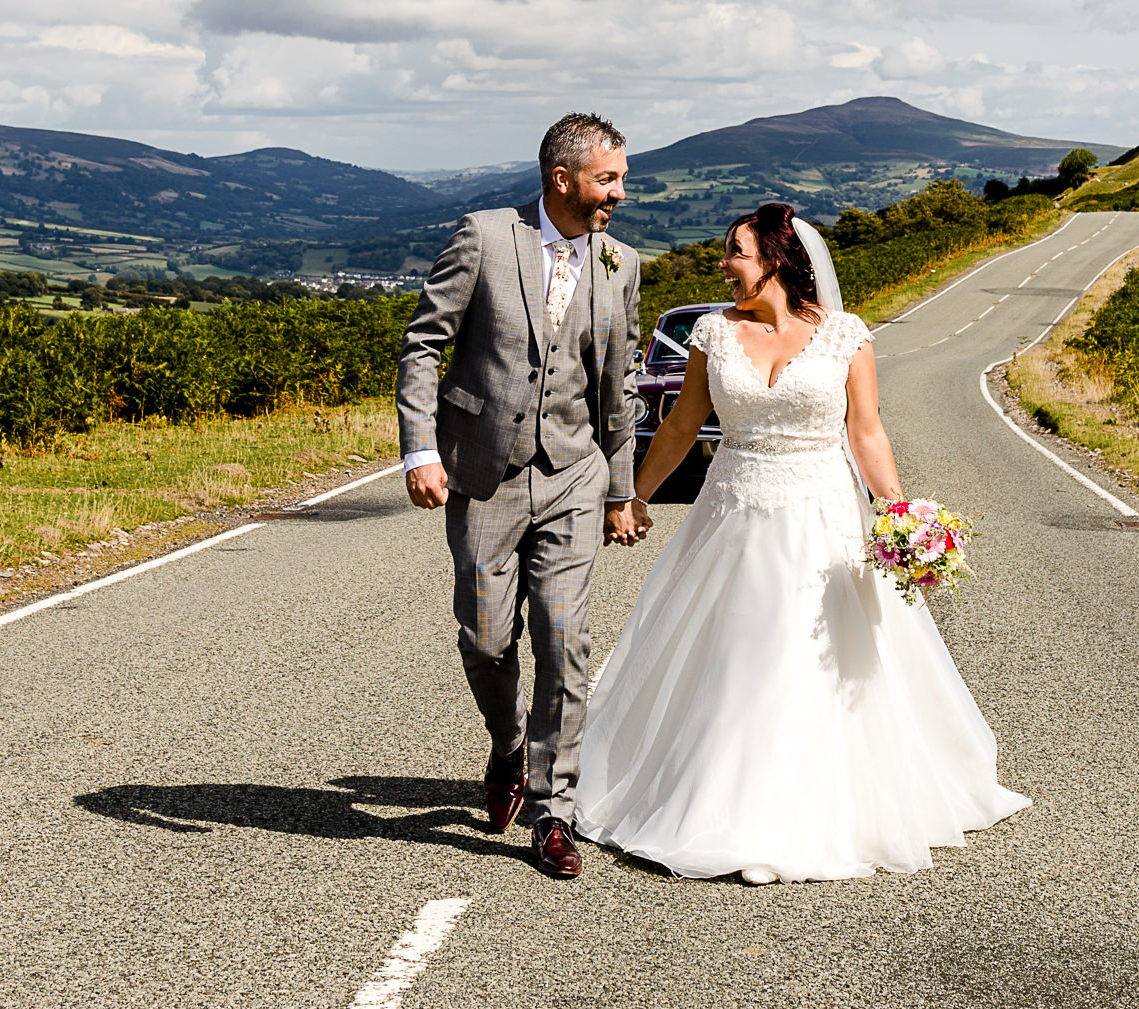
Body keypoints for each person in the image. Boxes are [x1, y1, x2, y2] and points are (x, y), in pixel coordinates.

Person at [574, 202, 1028, 883]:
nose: (723, 263)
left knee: (818, 663)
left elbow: (866, 431)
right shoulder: (712, 333)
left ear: (778, 262)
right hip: (733, 515)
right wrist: (634, 495)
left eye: (736, 252)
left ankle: (813, 809)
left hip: (824, 517)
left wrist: (898, 511)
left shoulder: (846, 335)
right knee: (739, 656)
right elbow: (679, 428)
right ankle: (722, 803)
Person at [397, 113, 646, 880]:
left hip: (574, 475)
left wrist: (620, 491)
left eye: (622, 180)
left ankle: (552, 811)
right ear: (561, 179)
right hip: (483, 472)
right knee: (484, 638)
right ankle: (507, 747)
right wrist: (419, 447)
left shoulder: (620, 263)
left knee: (564, 638)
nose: (619, 194)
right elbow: (423, 343)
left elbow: (620, 386)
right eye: (608, 180)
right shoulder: (484, 236)